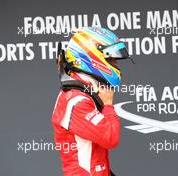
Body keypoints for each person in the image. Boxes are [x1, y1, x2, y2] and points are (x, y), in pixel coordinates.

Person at [51, 27, 130, 176]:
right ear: (93, 58)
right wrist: (108, 105)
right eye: (111, 59)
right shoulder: (76, 101)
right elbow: (110, 137)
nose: (116, 65)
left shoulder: (83, 92)